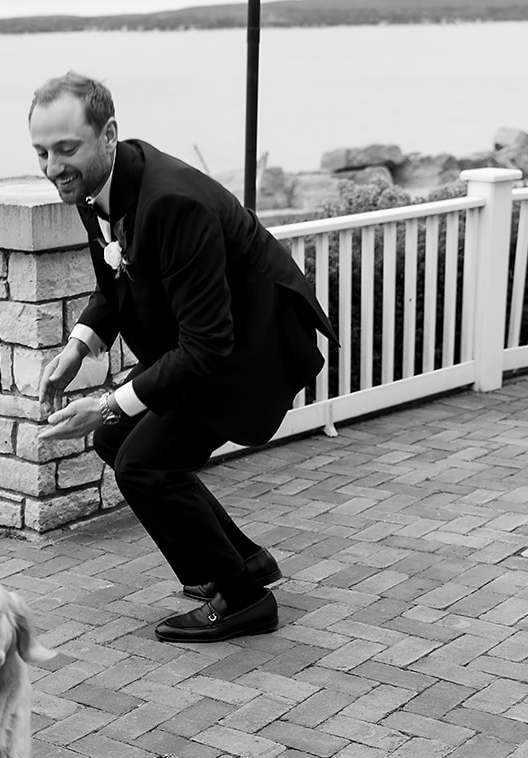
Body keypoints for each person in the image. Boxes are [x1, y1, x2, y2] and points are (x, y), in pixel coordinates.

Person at [31, 71, 334, 643]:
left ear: (108, 134)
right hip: (206, 343)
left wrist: (108, 401)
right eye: (42, 152)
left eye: (66, 148)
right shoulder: (94, 186)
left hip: (246, 351)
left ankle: (245, 601)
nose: (53, 166)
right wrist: (79, 345)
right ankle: (240, 563)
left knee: (142, 463)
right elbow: (117, 283)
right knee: (119, 441)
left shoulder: (172, 201)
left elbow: (208, 345)